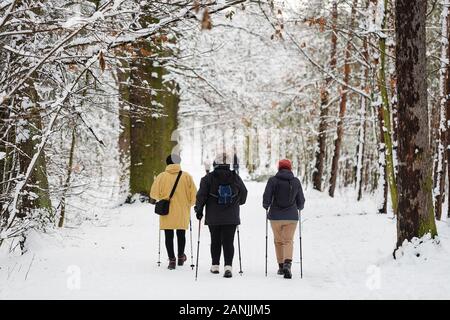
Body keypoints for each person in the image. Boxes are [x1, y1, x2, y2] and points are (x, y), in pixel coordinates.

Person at [194, 153, 248, 278]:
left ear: (215, 163)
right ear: (228, 164)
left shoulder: (208, 178)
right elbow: (244, 192)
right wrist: (239, 202)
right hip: (231, 216)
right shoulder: (235, 177)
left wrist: (199, 210)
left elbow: (201, 196)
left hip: (213, 216)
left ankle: (215, 266)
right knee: (229, 242)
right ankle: (228, 267)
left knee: (215, 240)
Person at [150, 154, 197, 270]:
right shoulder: (186, 177)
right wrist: (188, 204)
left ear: (167, 163)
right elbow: (195, 196)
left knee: (168, 235)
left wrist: (162, 196)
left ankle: (172, 260)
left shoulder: (161, 177)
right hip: (182, 210)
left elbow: (153, 194)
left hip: (167, 211)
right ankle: (181, 257)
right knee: (181, 234)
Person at [262, 159, 305, 279]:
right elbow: (301, 201)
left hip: (275, 217)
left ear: (279, 168)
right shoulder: (296, 182)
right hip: (291, 217)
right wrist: (300, 207)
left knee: (278, 241)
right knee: (288, 240)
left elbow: (266, 197)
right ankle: (287, 264)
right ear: (290, 168)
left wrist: (266, 205)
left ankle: (281, 266)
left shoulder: (273, 181)